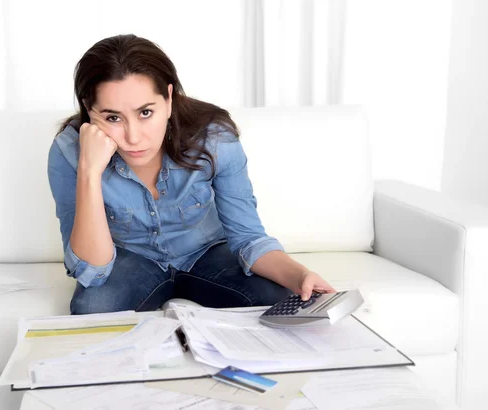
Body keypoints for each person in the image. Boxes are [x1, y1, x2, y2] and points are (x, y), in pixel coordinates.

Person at [48, 34, 335, 315]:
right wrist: (89, 169)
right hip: (131, 260)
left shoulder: (213, 137)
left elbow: (248, 237)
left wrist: (300, 275)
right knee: (91, 308)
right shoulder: (68, 152)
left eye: (146, 113)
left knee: (279, 297)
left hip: (207, 253)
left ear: (169, 98)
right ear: (89, 109)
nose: (133, 137)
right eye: (113, 118)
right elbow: (92, 270)